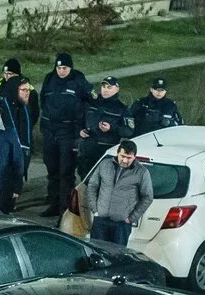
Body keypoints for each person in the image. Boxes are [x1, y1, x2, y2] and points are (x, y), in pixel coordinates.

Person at [39, 52, 93, 216]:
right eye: (59, 67)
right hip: (50, 131)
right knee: (52, 170)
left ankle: (65, 208)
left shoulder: (78, 80)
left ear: (70, 67)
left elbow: (90, 102)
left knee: (66, 172)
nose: (61, 71)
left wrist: (82, 126)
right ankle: (54, 203)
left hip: (68, 133)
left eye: (65, 68)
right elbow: (43, 100)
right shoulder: (49, 79)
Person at [83, 139, 152, 246]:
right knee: (96, 252)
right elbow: (92, 186)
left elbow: (147, 197)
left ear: (134, 157)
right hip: (100, 220)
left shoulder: (141, 172)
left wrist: (131, 218)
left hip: (122, 225)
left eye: (128, 158)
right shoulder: (105, 164)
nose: (125, 160)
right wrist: (95, 210)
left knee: (117, 257)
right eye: (122, 156)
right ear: (117, 153)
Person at [78, 76, 133, 178]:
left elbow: (129, 131)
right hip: (87, 150)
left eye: (109, 87)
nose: (105, 90)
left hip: (105, 153)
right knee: (85, 181)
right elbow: (80, 120)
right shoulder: (91, 102)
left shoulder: (122, 108)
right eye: (104, 87)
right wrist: (80, 130)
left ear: (117, 89)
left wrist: (111, 128)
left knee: (103, 182)